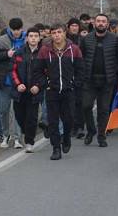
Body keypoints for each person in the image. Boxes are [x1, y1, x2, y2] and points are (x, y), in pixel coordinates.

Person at [33, 24, 84, 160]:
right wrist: (45, 83)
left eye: (59, 32)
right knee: (53, 121)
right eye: (54, 33)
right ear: (51, 35)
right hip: (52, 91)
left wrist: (75, 84)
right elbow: (37, 70)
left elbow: (80, 70)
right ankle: (56, 148)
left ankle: (66, 138)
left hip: (69, 90)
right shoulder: (44, 51)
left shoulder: (74, 50)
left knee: (69, 119)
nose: (56, 35)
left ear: (64, 33)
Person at [79, 14, 118, 147]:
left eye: (103, 21)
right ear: (94, 23)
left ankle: (101, 135)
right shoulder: (86, 39)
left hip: (108, 80)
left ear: (107, 24)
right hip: (89, 80)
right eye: (98, 21)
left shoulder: (115, 39)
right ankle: (91, 130)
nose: (101, 23)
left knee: (104, 109)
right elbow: (80, 59)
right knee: (86, 106)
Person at [0, 18, 26, 149]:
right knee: (3, 110)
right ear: (10, 28)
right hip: (5, 82)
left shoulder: (26, 40)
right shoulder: (1, 41)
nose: (16, 32)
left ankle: (18, 138)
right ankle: (5, 134)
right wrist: (6, 54)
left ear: (22, 28)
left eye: (18, 29)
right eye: (14, 30)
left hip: (20, 83)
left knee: (18, 111)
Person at [11, 28, 43, 153]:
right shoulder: (19, 53)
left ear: (39, 38)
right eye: (31, 36)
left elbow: (47, 73)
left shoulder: (43, 53)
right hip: (20, 91)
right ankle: (26, 131)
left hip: (34, 91)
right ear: (27, 38)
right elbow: (12, 70)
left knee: (32, 117)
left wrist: (39, 86)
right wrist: (18, 84)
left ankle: (29, 141)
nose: (33, 38)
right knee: (19, 116)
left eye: (36, 36)